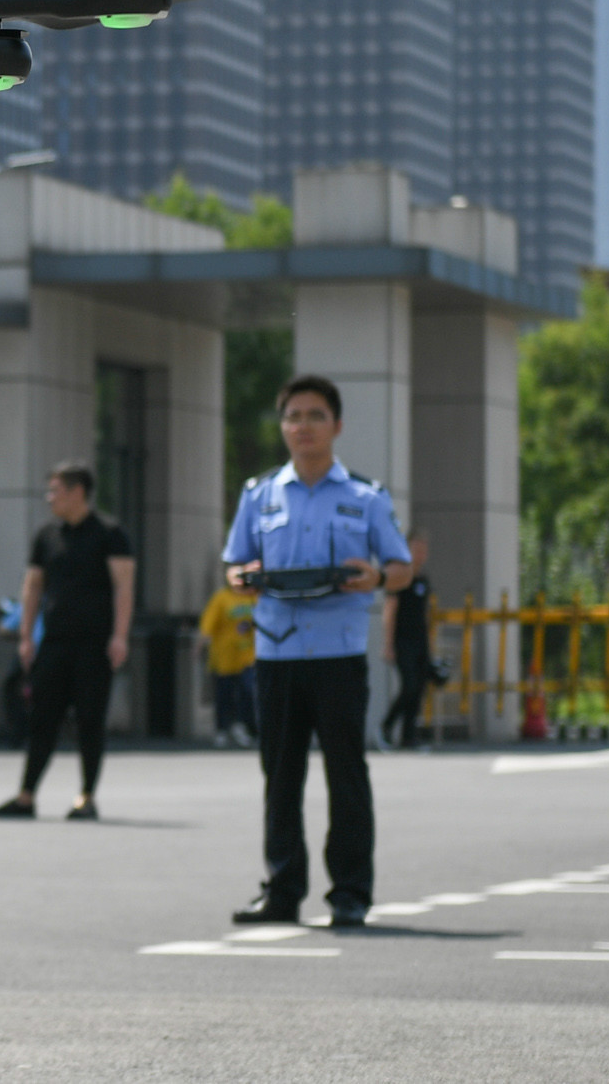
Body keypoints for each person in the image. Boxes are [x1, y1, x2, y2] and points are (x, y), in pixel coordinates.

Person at [223, 375, 412, 928]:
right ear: (282, 427)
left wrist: (376, 576)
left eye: (314, 416)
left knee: (345, 775)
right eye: (293, 417)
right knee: (280, 777)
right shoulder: (258, 495)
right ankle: (281, 890)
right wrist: (242, 577)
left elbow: (400, 568)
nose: (302, 427)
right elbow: (235, 564)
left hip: (338, 653)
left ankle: (350, 893)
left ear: (337, 425)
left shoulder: (365, 496)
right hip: (277, 654)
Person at [0, 460, 133, 820]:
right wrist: (26, 637)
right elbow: (33, 585)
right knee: (42, 718)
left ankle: (86, 796)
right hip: (54, 642)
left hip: (94, 644)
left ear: (77, 492)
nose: (49, 498)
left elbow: (123, 586)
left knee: (89, 720)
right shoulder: (47, 535)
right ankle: (26, 796)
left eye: (55, 490)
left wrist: (120, 636)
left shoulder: (110, 533)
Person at [379, 529, 433, 750]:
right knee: (409, 685)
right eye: (416, 549)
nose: (420, 554)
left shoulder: (423, 580)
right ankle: (387, 725)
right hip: (403, 641)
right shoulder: (401, 579)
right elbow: (390, 611)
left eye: (423, 550)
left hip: (420, 640)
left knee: (419, 687)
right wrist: (388, 644)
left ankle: (409, 737)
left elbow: (425, 614)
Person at [199, 575, 259, 748]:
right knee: (224, 694)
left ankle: (243, 726)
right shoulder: (222, 598)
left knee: (247, 692)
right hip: (224, 656)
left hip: (247, 656)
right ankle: (222, 729)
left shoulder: (253, 598)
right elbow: (208, 625)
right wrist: (199, 646)